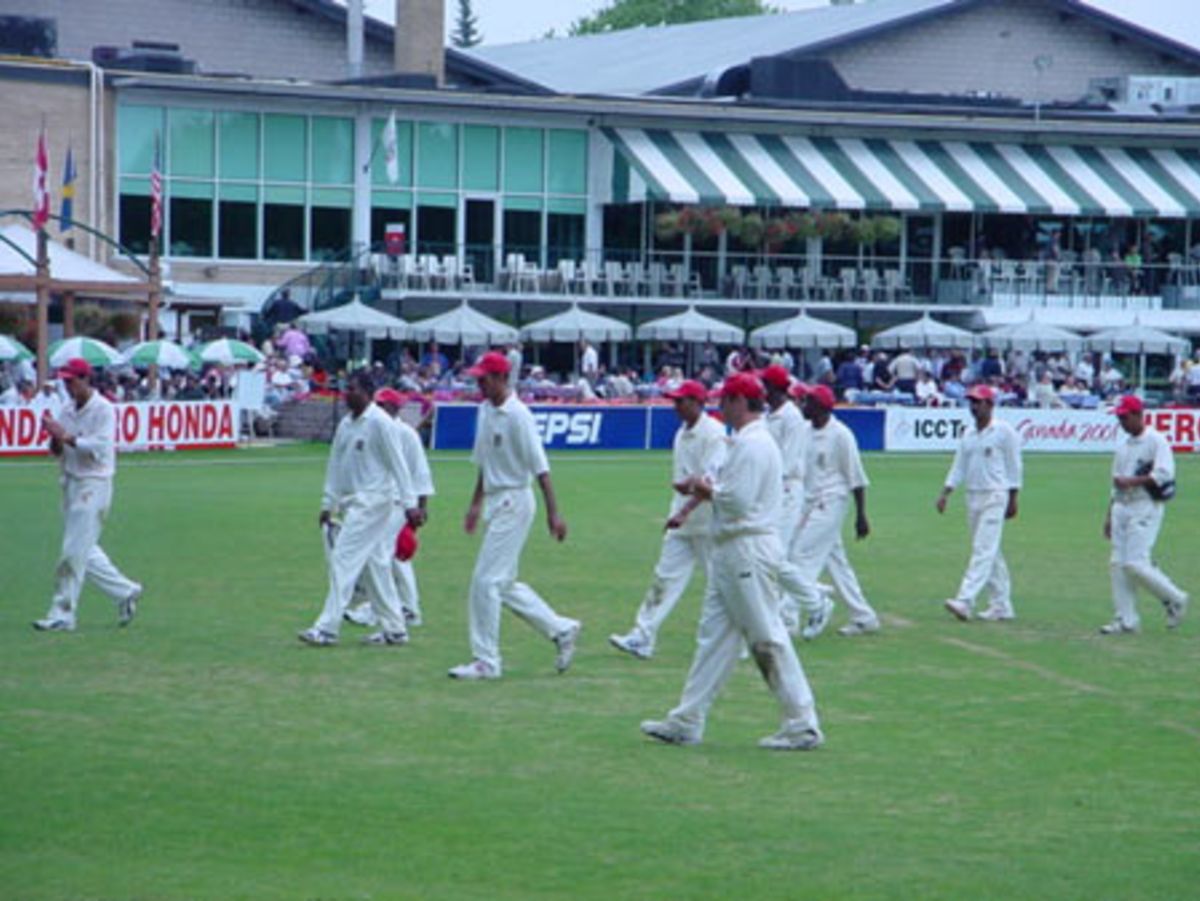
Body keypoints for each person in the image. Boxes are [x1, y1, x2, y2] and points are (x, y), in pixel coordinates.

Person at [640, 373, 824, 751]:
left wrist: (701, 488)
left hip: (747, 547)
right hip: (730, 548)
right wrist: (701, 488)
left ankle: (802, 722)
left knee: (767, 637)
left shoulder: (754, 445)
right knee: (714, 640)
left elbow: (737, 500)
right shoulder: (744, 441)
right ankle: (687, 719)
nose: (720, 407)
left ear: (741, 401)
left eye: (725, 400)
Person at [450, 351, 581, 680]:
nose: (479, 385)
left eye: (484, 379)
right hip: (496, 500)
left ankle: (487, 661)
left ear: (501, 379)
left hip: (516, 500)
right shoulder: (485, 410)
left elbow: (541, 468)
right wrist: (475, 503)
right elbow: (484, 462)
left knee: (485, 582)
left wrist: (555, 513)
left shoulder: (518, 415)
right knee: (504, 584)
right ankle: (561, 629)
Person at [298, 371, 417, 647]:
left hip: (375, 501)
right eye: (345, 388)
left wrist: (410, 504)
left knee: (343, 558)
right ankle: (395, 629)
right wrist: (328, 503)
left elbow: (399, 465)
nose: (346, 394)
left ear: (367, 392)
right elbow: (335, 465)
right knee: (376, 563)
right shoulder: (346, 424)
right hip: (354, 503)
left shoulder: (380, 423)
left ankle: (327, 628)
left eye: (351, 389)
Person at [609, 380, 726, 659]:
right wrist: (679, 511)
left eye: (681, 401)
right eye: (674, 401)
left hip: (708, 522)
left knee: (721, 585)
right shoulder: (681, 434)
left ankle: (740, 637)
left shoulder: (715, 433)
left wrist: (685, 510)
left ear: (698, 402)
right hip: (682, 522)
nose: (675, 406)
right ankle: (642, 636)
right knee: (664, 578)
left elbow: (711, 480)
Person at [34, 359, 142, 632]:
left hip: (94, 483)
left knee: (73, 549)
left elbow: (99, 448)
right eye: (65, 382)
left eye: (72, 381)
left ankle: (63, 613)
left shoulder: (104, 409)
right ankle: (125, 591)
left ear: (85, 379)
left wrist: (65, 436)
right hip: (70, 481)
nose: (68, 387)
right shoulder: (67, 409)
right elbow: (58, 450)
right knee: (83, 547)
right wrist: (54, 436)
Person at [343, 388, 435, 629]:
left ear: (395, 408)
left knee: (387, 555)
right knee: (385, 557)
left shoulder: (406, 434)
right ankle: (395, 608)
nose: (380, 409)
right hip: (380, 502)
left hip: (400, 505)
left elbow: (420, 472)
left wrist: (420, 507)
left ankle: (399, 609)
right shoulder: (375, 429)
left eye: (385, 405)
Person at [796, 385, 881, 638]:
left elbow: (856, 477)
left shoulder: (841, 435)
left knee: (800, 556)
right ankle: (864, 617)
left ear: (822, 408)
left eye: (808, 403)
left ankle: (812, 606)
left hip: (832, 501)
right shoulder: (804, 431)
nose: (803, 407)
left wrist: (860, 516)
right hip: (810, 502)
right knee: (837, 563)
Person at [1100, 395, 1189, 634]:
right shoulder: (1123, 447)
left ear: (1140, 415)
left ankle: (1175, 598)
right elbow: (1116, 483)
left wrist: (1133, 481)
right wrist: (1109, 514)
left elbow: (1164, 474)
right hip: (1122, 506)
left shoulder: (1156, 441)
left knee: (1135, 563)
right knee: (1118, 564)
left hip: (1145, 505)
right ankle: (1126, 619)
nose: (1122, 422)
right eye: (1119, 418)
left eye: (1125, 417)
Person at [938, 385, 1023, 622]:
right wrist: (946, 492)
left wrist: (1014, 497)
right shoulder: (968, 434)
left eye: (978, 402)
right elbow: (959, 466)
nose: (973, 407)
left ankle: (965, 600)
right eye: (971, 402)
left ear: (990, 404)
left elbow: (1015, 465)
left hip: (996, 494)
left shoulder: (1004, 431)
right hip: (973, 495)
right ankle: (1001, 605)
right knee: (989, 550)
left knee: (983, 549)